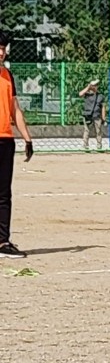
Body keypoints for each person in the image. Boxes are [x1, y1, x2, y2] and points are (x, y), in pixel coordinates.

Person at [0, 33, 34, 258]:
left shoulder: (7, 75)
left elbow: (15, 109)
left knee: (3, 194)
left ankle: (2, 241)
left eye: (3, 48)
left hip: (4, 139)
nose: (1, 52)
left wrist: (27, 138)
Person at [78, 78, 106, 152]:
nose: (95, 86)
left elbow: (103, 107)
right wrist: (88, 87)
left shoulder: (100, 96)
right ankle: (85, 145)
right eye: (94, 85)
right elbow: (80, 94)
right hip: (87, 115)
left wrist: (103, 117)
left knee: (98, 131)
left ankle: (99, 145)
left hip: (97, 115)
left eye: (96, 85)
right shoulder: (87, 94)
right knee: (87, 130)